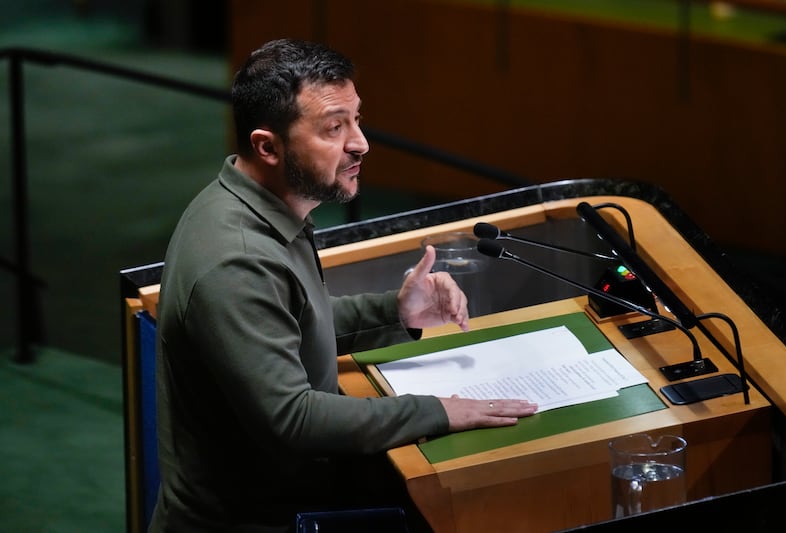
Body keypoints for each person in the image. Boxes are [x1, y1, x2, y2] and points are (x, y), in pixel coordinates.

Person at [148, 38, 538, 533]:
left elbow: (290, 325)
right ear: (268, 147)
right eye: (334, 128)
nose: (360, 143)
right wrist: (440, 411)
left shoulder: (258, 205)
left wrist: (396, 312)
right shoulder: (236, 260)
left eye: (356, 119)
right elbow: (294, 419)